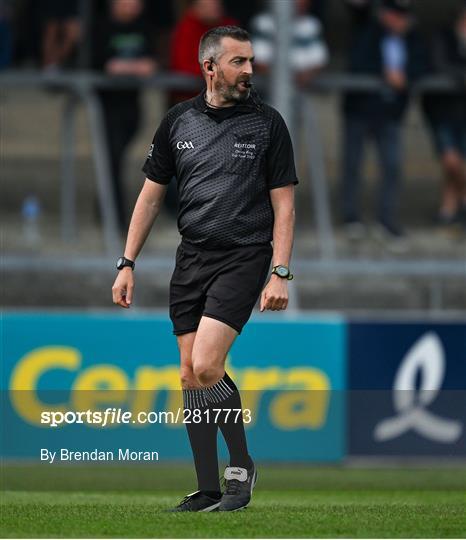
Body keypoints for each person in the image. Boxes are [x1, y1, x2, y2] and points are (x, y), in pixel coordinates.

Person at [112, 25, 298, 512]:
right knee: (190, 378)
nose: (250, 71)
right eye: (239, 62)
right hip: (191, 256)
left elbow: (285, 206)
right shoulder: (177, 122)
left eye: (252, 61)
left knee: (206, 365)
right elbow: (150, 197)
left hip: (244, 255)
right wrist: (126, 263)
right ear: (209, 67)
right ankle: (207, 488)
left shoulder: (267, 124)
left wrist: (280, 271)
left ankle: (241, 467)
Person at [340, 0, 426, 242]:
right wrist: (385, 73)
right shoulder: (366, 30)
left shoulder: (412, 39)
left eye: (404, 16)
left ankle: (386, 220)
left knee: (392, 166)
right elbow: (358, 60)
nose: (401, 21)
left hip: (390, 112)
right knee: (353, 164)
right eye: (395, 15)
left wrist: (404, 77)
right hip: (360, 109)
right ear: (385, 15)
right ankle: (351, 217)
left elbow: (423, 64)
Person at [93, 0, 157, 232]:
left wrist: (123, 67)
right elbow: (103, 64)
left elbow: (151, 63)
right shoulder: (100, 27)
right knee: (112, 157)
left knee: (118, 157)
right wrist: (132, 67)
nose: (133, 5)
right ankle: (114, 215)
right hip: (106, 104)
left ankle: (107, 208)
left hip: (132, 104)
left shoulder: (143, 27)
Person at [421, 4, 466, 229]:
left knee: (459, 163)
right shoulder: (443, 37)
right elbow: (439, 65)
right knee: (451, 161)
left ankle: (448, 209)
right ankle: (462, 200)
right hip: (444, 110)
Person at [250, 0, 329, 88]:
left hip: (301, 88)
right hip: (267, 89)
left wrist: (305, 75)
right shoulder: (263, 22)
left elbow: (319, 61)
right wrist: (284, 79)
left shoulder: (312, 24)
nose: (303, 3)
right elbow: (259, 62)